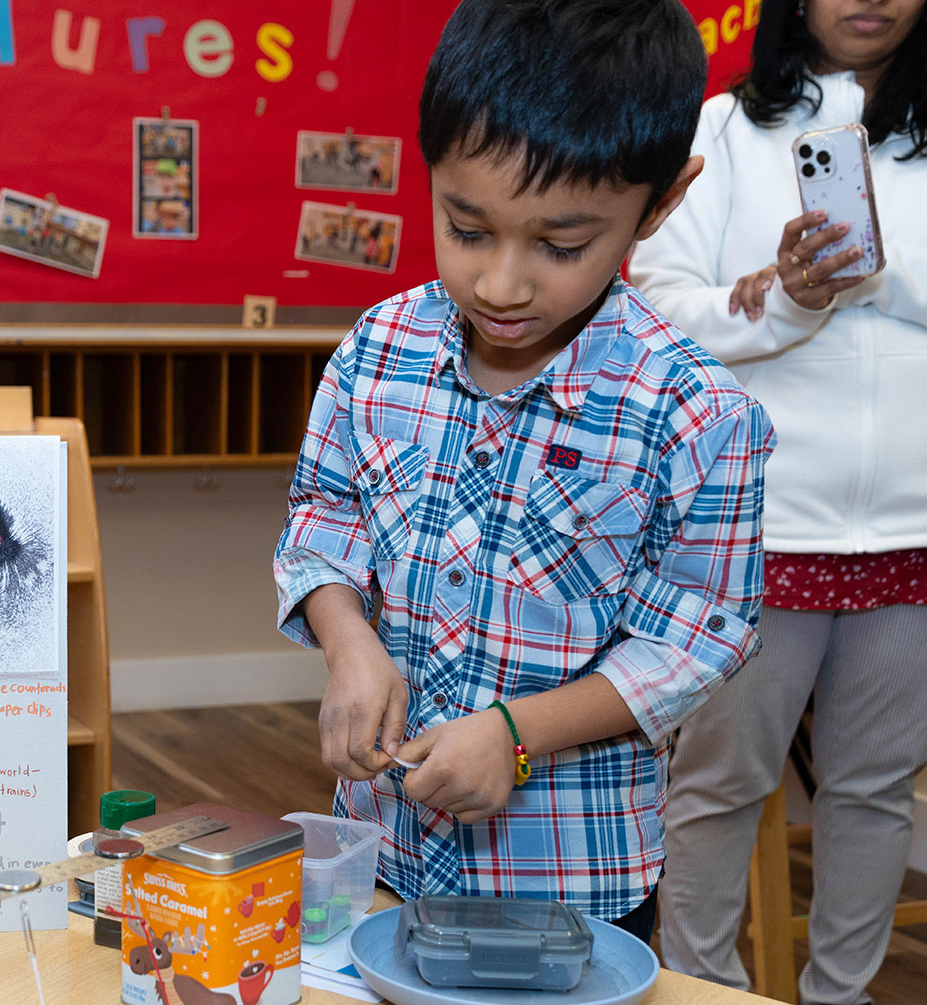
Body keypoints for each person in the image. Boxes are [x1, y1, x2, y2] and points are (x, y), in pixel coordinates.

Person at [273, 0, 773, 942]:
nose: (501, 285)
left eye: (560, 246)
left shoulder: (697, 413)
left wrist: (516, 734)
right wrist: (347, 643)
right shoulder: (377, 350)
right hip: (380, 847)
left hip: (569, 879)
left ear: (661, 202)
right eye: (466, 228)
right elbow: (323, 517)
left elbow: (696, 639)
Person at [631, 0, 927, 1005]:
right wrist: (789, 299)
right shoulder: (723, 128)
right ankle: (705, 1004)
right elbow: (659, 304)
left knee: (873, 789)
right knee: (719, 784)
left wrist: (881, 276)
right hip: (760, 521)